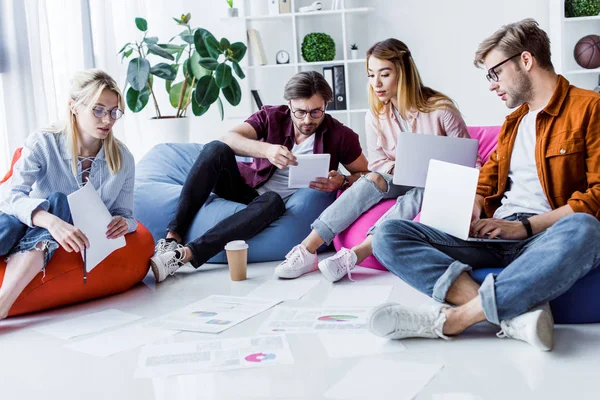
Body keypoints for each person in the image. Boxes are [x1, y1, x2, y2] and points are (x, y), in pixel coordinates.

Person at [368, 19, 600, 351]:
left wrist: (524, 228)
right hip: (492, 237)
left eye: (494, 73)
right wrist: (472, 206)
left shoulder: (590, 109)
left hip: (544, 238)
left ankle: (456, 319)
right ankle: (511, 317)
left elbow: (597, 196)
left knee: (585, 229)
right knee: (387, 236)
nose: (491, 85)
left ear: (525, 60)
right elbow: (489, 179)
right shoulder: (513, 123)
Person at [274, 38, 477, 282]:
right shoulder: (375, 116)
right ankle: (308, 249)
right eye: (371, 75)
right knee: (373, 178)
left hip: (439, 184)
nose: (376, 83)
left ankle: (355, 255)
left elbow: (470, 163)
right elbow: (378, 165)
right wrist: (405, 168)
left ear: (403, 72)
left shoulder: (441, 110)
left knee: (420, 191)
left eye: (385, 74)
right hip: (399, 176)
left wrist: (435, 175)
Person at [149, 71, 369, 283]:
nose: (307, 120)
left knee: (272, 199)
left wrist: (343, 181)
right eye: (300, 112)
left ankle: (184, 255)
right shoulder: (272, 116)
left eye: (315, 112)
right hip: (245, 188)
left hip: (274, 204)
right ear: (290, 105)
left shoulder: (341, 136)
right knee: (215, 149)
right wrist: (266, 151)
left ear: (326, 106)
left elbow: (366, 174)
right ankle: (171, 240)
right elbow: (230, 137)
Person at [0, 69, 136, 320]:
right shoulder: (43, 142)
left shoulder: (123, 159)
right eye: (98, 110)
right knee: (17, 222)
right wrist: (50, 221)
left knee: (61, 203)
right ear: (74, 107)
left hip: (62, 238)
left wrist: (123, 223)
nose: (107, 120)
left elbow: (126, 215)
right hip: (20, 221)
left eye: (114, 112)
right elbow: (10, 196)